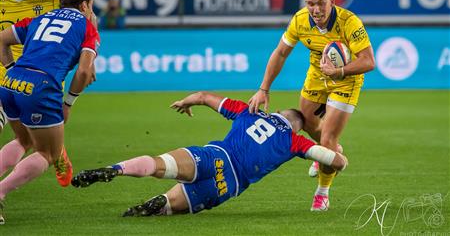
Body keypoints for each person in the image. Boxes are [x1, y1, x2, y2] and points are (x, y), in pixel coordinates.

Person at [71, 91, 348, 217]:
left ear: (276, 114)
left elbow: (204, 96)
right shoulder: (295, 143)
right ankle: (157, 205)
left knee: (159, 164)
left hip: (213, 157)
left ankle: (116, 169)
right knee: (167, 207)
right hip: (227, 184)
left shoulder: (248, 111)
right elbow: (336, 161)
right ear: (298, 128)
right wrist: (335, 156)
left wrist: (186, 102)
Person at [248, 0, 375, 211]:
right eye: (310, 4)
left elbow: (369, 61)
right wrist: (263, 88)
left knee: (327, 140)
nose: (315, 10)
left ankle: (322, 192)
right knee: (307, 122)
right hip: (317, 76)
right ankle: (329, 153)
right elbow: (280, 52)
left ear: (332, 1)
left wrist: (339, 71)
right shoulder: (300, 20)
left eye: (321, 4)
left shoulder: (349, 22)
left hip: (345, 81)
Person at [0, 0, 100, 224]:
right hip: (41, 88)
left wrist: (12, 70)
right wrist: (68, 103)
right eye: (92, 6)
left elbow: (1, 40)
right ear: (85, 4)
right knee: (48, 153)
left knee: (23, 140)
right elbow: (84, 73)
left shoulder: (41, 18)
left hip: (11, 82)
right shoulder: (87, 27)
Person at [0, 0, 73, 188]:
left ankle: (55, 150)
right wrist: (11, 69)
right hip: (7, 81)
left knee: (29, 141)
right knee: (27, 140)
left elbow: (82, 15)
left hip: (43, 85)